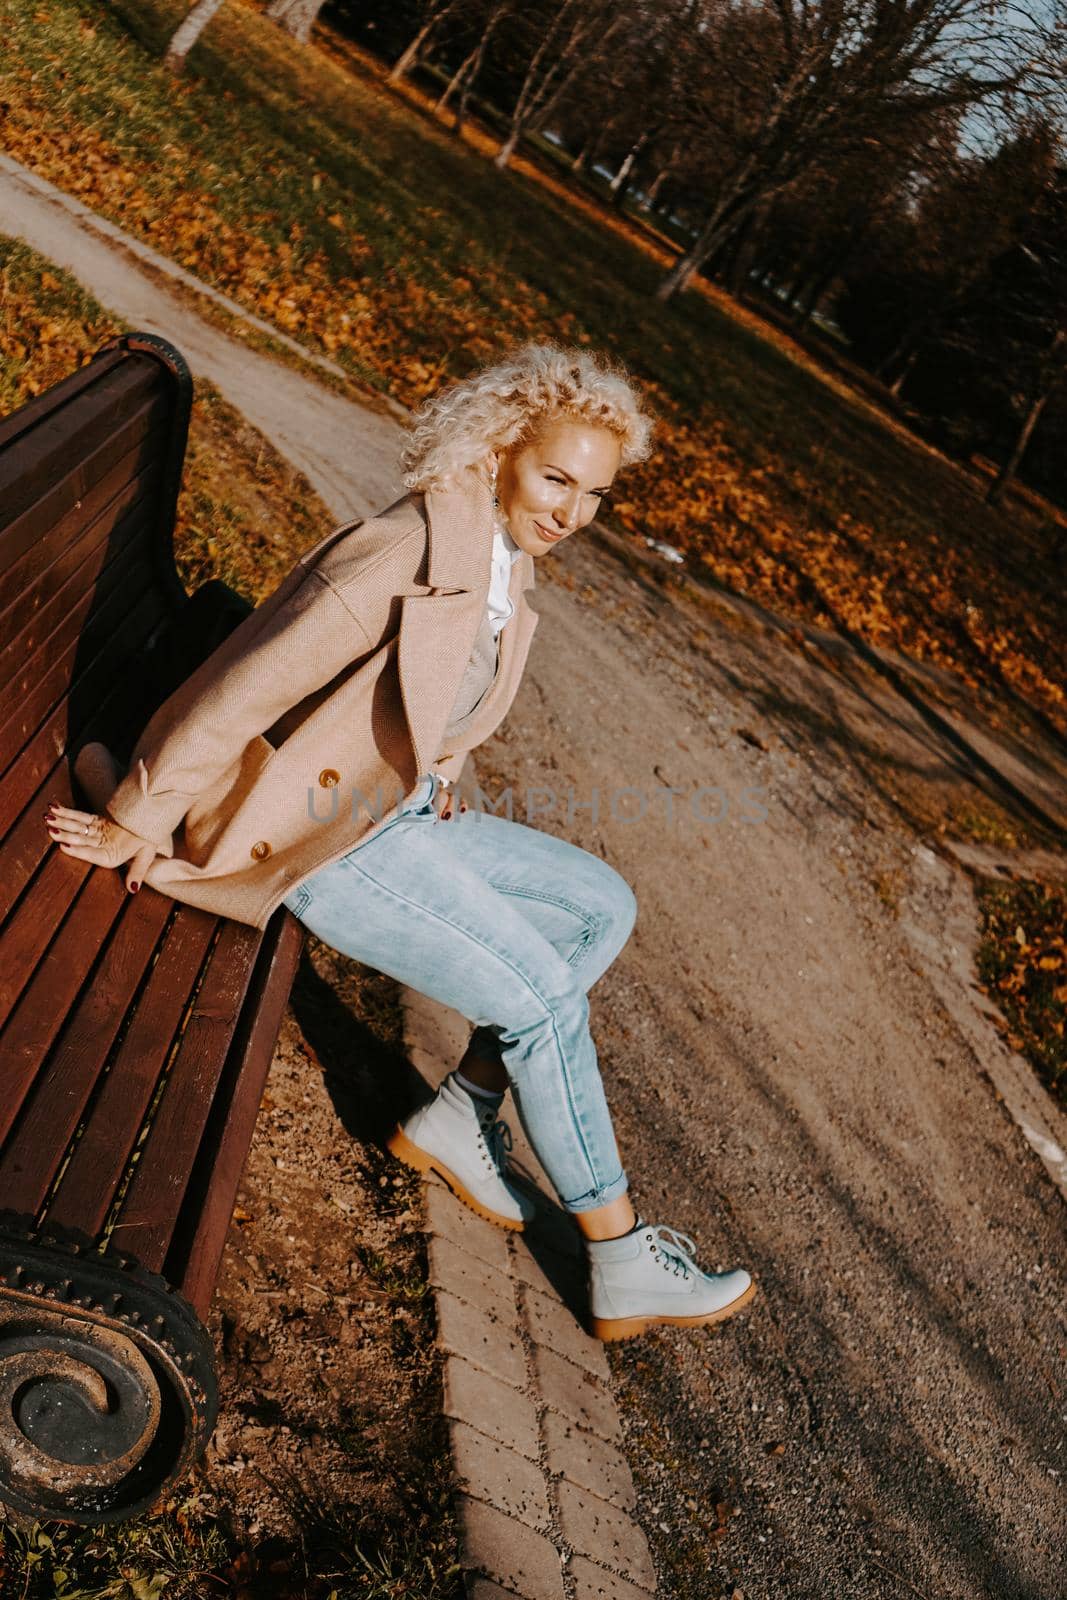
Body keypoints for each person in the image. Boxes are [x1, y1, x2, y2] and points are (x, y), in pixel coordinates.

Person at [45, 343, 756, 1341]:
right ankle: (619, 1250)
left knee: (601, 903)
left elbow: (433, 690)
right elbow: (247, 680)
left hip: (396, 813)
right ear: (500, 446)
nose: (570, 512)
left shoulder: (502, 559)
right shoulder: (409, 544)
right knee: (543, 1000)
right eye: (555, 478)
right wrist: (137, 812)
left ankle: (463, 1116)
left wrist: (443, 763)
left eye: (593, 494)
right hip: (329, 837)